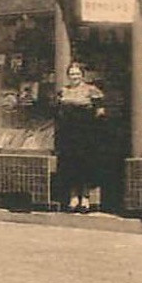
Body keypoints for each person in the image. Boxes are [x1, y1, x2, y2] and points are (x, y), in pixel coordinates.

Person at [56, 62, 105, 212]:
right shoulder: (63, 91)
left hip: (86, 133)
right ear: (68, 76)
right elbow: (58, 112)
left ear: (82, 75)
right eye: (71, 74)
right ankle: (73, 197)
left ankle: (85, 198)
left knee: (85, 165)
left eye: (77, 74)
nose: (74, 77)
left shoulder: (92, 90)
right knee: (70, 165)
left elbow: (100, 111)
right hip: (68, 134)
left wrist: (93, 127)